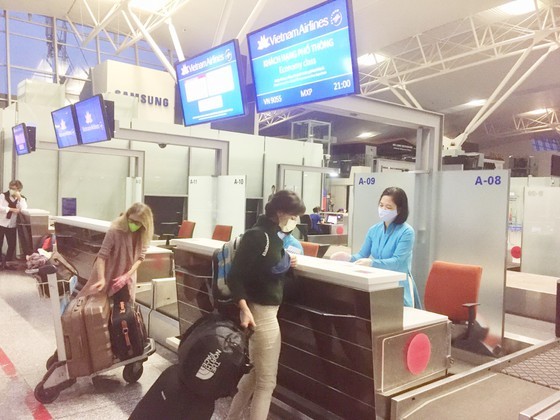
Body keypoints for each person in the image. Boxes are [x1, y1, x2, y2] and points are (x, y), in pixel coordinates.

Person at [226, 190, 306, 420]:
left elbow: (262, 270)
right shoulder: (258, 236)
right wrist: (245, 309)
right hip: (262, 314)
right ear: (280, 212)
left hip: (262, 312)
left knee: (255, 375)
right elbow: (235, 277)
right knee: (266, 382)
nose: (295, 221)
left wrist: (286, 264)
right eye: (293, 215)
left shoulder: (271, 235)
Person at [331, 187, 420, 308]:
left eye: (388, 207)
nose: (383, 209)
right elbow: (362, 255)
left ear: (399, 210)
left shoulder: (406, 232)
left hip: (398, 285)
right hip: (377, 281)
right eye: (381, 205)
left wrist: (372, 263)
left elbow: (397, 262)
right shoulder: (374, 230)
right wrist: (348, 258)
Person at [77, 202, 154, 301]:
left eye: (137, 223)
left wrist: (126, 276)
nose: (133, 224)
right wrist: (101, 278)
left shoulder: (143, 235)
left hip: (127, 276)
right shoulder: (115, 231)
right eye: (130, 220)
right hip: (108, 273)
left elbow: (140, 258)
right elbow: (101, 256)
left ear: (144, 224)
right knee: (101, 306)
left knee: (124, 308)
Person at [0, 180, 28, 270]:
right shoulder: (3, 196)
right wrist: (11, 209)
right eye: (11, 188)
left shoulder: (21, 199)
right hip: (1, 223)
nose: (12, 190)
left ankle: (7, 263)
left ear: (19, 190)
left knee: (12, 245)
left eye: (15, 189)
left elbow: (23, 209)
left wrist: (19, 198)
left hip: (12, 224)